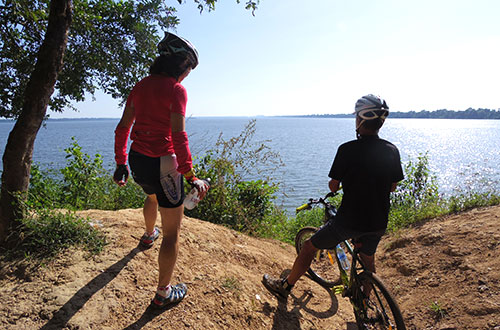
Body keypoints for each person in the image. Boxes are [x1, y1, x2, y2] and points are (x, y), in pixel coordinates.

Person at [262, 94, 404, 299]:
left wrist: (345, 183)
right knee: (368, 259)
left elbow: (333, 185)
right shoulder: (392, 150)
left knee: (309, 247)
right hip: (379, 221)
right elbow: (392, 186)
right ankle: (365, 300)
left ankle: (285, 287)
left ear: (361, 120)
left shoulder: (347, 150)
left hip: (350, 220)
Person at [113, 32, 209, 308]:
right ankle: (164, 292)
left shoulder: (140, 86)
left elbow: (123, 127)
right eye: (189, 68)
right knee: (172, 234)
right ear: (182, 65)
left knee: (152, 195)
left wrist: (121, 162)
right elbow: (179, 136)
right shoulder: (176, 90)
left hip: (137, 159)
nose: (188, 74)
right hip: (164, 164)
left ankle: (147, 235)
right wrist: (191, 176)